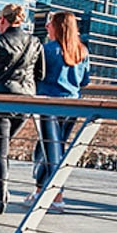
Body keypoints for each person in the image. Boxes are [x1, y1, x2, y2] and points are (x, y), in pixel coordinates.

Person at [0, 4, 44, 214]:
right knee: (3, 149)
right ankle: (1, 194)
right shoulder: (35, 42)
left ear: (3, 20)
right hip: (25, 102)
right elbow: (40, 74)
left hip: (0, 102)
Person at [33, 11, 91, 212]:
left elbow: (36, 76)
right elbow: (85, 81)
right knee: (53, 148)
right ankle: (41, 189)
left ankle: (57, 194)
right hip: (73, 105)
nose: (47, 26)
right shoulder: (82, 51)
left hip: (48, 103)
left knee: (50, 150)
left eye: (50, 23)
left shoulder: (47, 50)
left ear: (58, 27)